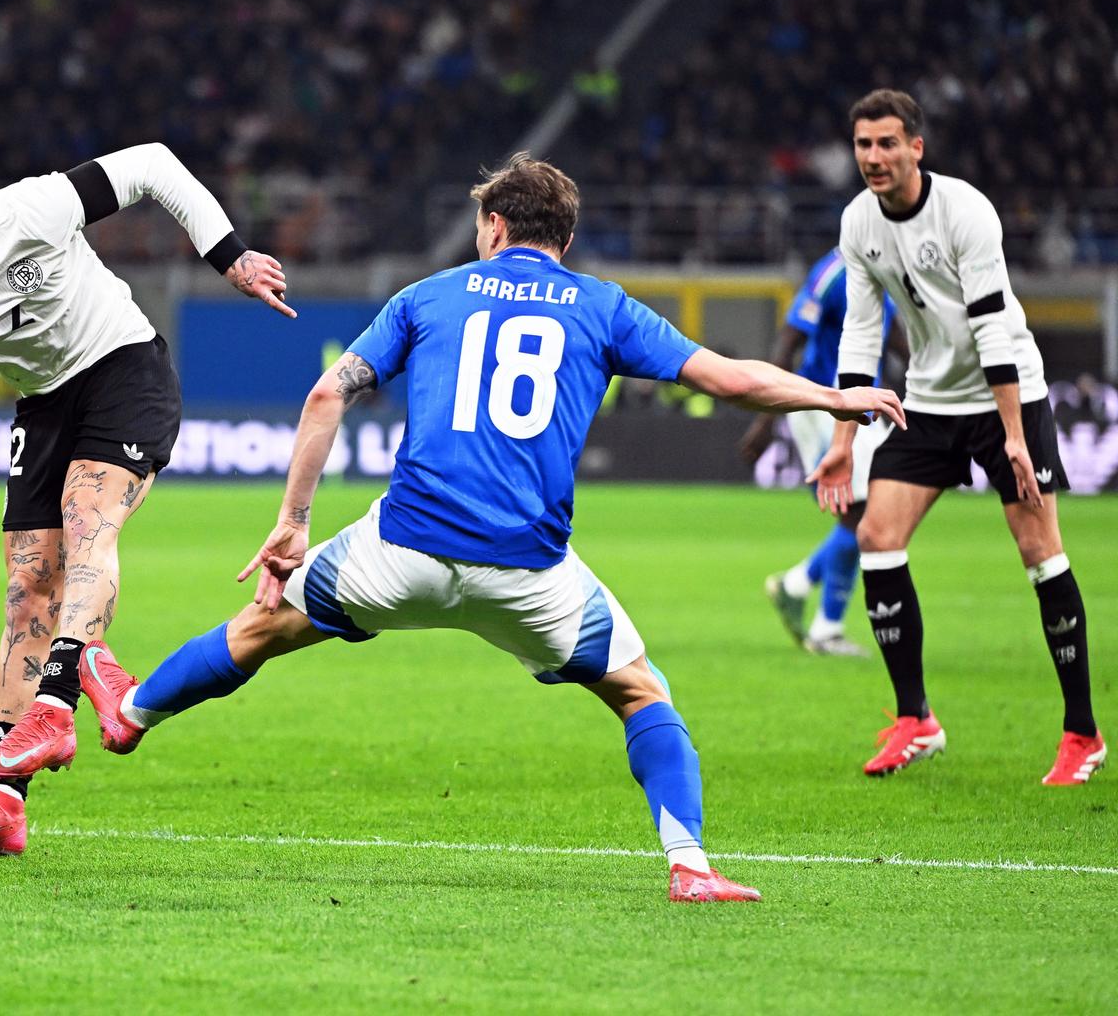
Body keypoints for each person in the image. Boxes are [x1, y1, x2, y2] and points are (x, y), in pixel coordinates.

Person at [66, 153, 906, 902]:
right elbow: (727, 378)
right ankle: (689, 865)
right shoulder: (603, 307)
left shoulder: (428, 295)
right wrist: (837, 396)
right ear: (563, 242)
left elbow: (329, 393)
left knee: (258, 628)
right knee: (643, 693)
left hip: (399, 552)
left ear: (494, 226)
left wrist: (293, 524)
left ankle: (132, 714)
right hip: (530, 575)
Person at [0, 144, 291, 854]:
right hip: (45, 403)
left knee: (87, 527)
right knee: (27, 586)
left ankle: (57, 705)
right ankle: (3, 805)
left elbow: (153, 164)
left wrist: (231, 256)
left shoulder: (31, 210)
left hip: (123, 369)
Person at [813, 89, 1102, 784]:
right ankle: (915, 719)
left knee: (1040, 553)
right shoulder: (858, 223)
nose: (874, 158)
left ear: (918, 146)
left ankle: (1082, 733)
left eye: (887, 143)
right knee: (877, 538)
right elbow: (861, 329)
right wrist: (843, 440)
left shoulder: (965, 211)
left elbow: (992, 326)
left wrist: (1013, 436)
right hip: (929, 401)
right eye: (863, 145)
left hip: (1010, 397)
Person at [738, 250, 900, 657]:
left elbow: (899, 338)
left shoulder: (890, 269)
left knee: (873, 512)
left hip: (864, 403)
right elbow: (790, 338)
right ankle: (824, 626)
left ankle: (798, 588)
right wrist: (765, 419)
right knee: (866, 511)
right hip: (826, 402)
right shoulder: (831, 272)